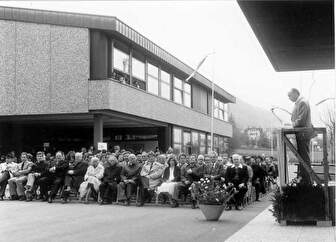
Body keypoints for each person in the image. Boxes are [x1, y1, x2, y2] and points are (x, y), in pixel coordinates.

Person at [288, 88, 315, 184]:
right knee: (303, 157)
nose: (289, 98)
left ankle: (307, 181)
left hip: (303, 133)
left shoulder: (302, 102)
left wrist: (292, 124)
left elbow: (301, 120)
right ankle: (305, 179)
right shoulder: (300, 102)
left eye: (290, 95)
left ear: (295, 93)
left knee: (304, 157)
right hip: (302, 133)